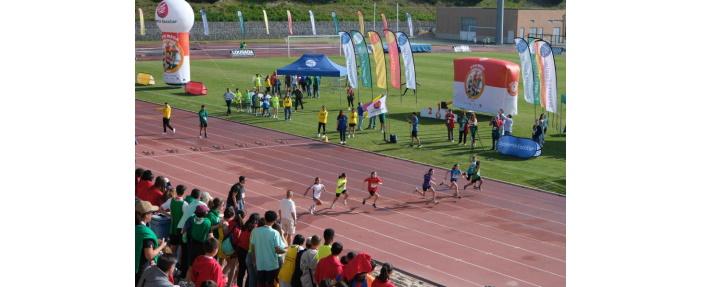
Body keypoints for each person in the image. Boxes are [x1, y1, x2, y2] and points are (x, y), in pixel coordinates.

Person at [249, 211, 288, 287]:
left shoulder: (255, 231)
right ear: (274, 221)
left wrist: (254, 262)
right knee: (270, 284)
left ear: (265, 218)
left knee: (260, 284)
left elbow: (252, 248)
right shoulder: (275, 233)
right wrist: (286, 250)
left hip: (260, 264)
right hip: (272, 265)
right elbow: (278, 249)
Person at [136, 200, 168, 284]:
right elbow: (149, 256)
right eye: (151, 213)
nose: (152, 215)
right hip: (139, 269)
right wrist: (161, 246)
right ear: (146, 215)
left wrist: (155, 241)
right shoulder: (146, 233)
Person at [182, 204, 213, 278]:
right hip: (202, 247)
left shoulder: (191, 219)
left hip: (192, 244)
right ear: (204, 213)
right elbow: (210, 235)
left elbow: (184, 230)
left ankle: (187, 282)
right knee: (200, 267)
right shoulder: (207, 222)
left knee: (190, 266)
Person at [236, 213, 260, 287]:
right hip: (246, 251)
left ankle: (239, 285)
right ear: (256, 221)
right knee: (250, 272)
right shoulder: (254, 228)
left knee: (241, 270)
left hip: (240, 249)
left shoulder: (245, 225)